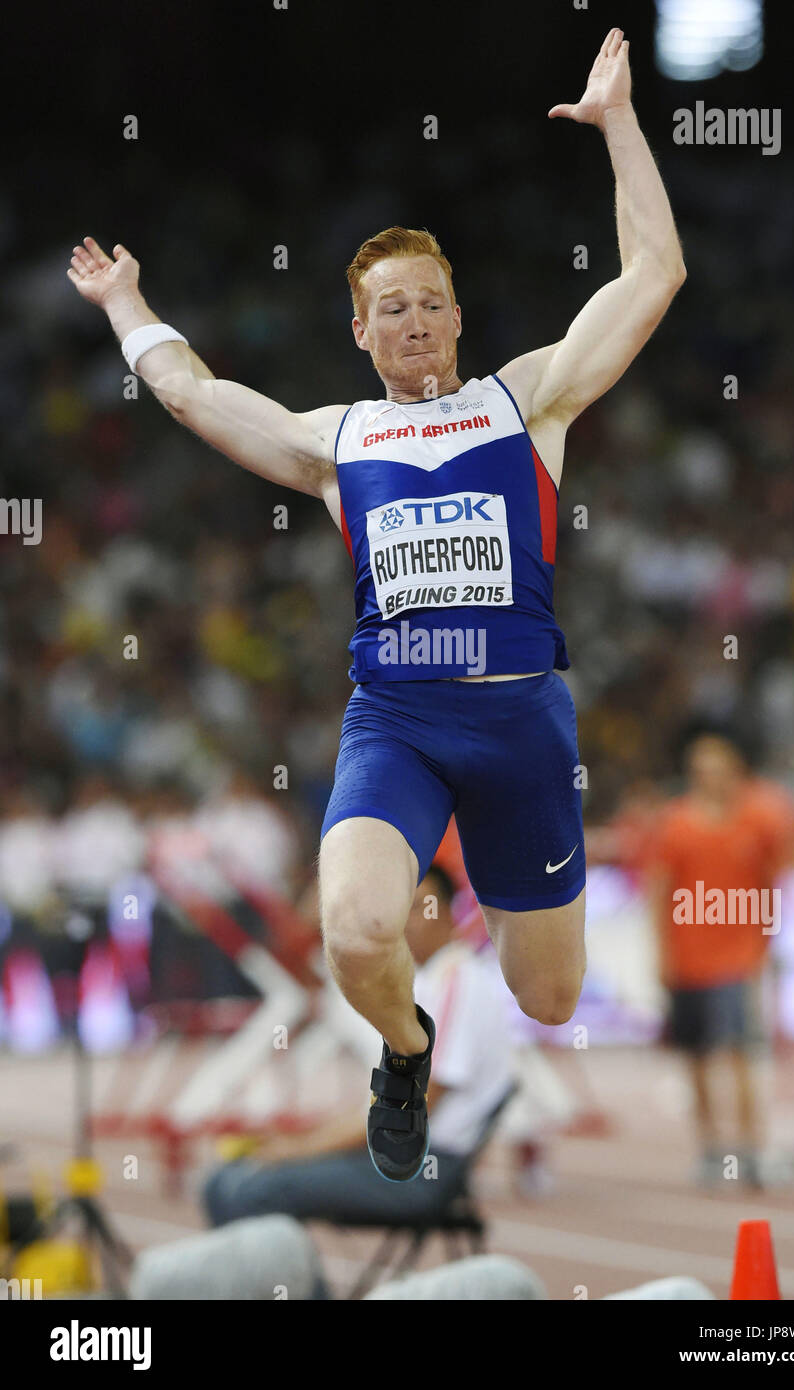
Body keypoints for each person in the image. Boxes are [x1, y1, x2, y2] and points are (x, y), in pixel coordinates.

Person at [67, 28, 686, 1180]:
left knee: (548, 997)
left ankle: (473, 994)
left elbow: (652, 277)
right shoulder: (336, 443)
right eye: (389, 306)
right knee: (354, 929)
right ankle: (406, 1050)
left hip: (521, 723)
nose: (411, 319)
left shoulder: (529, 401)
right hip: (394, 721)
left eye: (429, 302)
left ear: (457, 318)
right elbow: (196, 395)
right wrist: (126, 307)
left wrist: (620, 126)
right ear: (358, 331)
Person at [201, 864, 514, 1226]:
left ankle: (292, 1283)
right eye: (400, 911)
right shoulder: (431, 981)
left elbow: (418, 1105)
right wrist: (305, 1142)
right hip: (404, 1155)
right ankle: (277, 1278)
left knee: (247, 1186)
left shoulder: (455, 981)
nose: (407, 923)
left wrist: (302, 1149)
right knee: (224, 1180)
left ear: (448, 912)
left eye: (418, 909)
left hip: (423, 1167)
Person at [647, 733, 794, 1186]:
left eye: (717, 769)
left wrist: (769, 944)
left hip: (738, 958)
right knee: (696, 1057)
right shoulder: (675, 824)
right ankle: (711, 1147)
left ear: (735, 772)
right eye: (701, 771)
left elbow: (780, 878)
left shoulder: (758, 819)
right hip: (687, 957)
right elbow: (658, 891)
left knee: (738, 1053)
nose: (710, 779)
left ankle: (751, 1149)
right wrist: (659, 954)